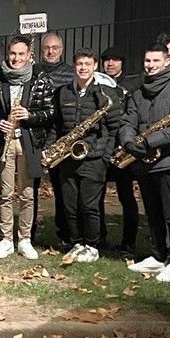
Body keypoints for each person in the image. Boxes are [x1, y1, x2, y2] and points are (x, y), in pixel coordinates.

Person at [121, 44, 170, 284]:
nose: (150, 65)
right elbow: (128, 120)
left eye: (155, 61)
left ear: (166, 63)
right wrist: (129, 141)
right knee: (152, 212)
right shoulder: (138, 92)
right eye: (147, 61)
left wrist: (150, 141)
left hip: (168, 161)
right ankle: (158, 254)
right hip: (143, 161)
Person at [0, 36, 54, 260]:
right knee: (4, 192)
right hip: (5, 141)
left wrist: (30, 115)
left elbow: (51, 112)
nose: (16, 58)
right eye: (13, 53)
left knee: (27, 194)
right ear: (8, 54)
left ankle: (24, 239)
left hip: (29, 142)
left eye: (21, 54)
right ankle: (5, 239)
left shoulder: (41, 78)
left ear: (29, 55)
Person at [44, 49, 120, 263]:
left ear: (95, 65)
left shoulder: (105, 93)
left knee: (89, 206)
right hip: (68, 157)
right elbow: (57, 126)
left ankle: (92, 245)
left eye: (87, 63)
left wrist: (105, 156)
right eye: (79, 64)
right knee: (69, 205)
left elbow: (114, 129)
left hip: (94, 158)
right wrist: (51, 148)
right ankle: (76, 242)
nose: (83, 68)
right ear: (74, 66)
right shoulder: (63, 92)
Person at [100, 47, 140, 253]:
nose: (110, 64)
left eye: (115, 60)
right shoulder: (98, 83)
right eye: (107, 60)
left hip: (122, 147)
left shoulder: (133, 83)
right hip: (103, 146)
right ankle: (99, 237)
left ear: (122, 63)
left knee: (126, 196)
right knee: (97, 195)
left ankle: (129, 240)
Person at [33, 32, 72, 246]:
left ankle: (64, 232)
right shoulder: (33, 71)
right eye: (47, 47)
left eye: (55, 47)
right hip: (37, 135)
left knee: (61, 188)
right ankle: (29, 232)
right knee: (32, 189)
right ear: (41, 50)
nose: (50, 51)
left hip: (60, 136)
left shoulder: (69, 74)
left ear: (61, 50)